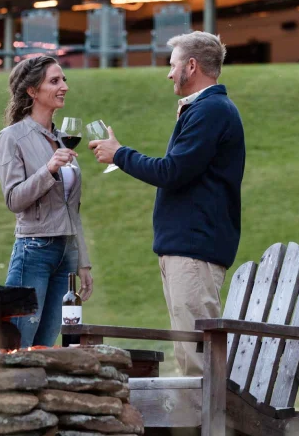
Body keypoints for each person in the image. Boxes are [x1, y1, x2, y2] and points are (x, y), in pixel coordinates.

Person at [89, 31, 245, 376]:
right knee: (189, 354)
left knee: (196, 362)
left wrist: (120, 154)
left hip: (194, 250)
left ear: (192, 65)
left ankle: (211, 428)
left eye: (173, 65)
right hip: (185, 249)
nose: (169, 73)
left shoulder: (212, 111)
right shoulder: (203, 109)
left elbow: (172, 172)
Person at [0, 55, 94, 348]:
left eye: (64, 80)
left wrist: (83, 261)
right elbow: (14, 199)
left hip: (67, 255)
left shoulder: (64, 139)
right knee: (20, 344)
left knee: (48, 345)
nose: (64, 86)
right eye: (55, 81)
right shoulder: (13, 137)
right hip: (34, 251)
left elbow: (71, 208)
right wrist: (49, 169)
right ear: (32, 91)